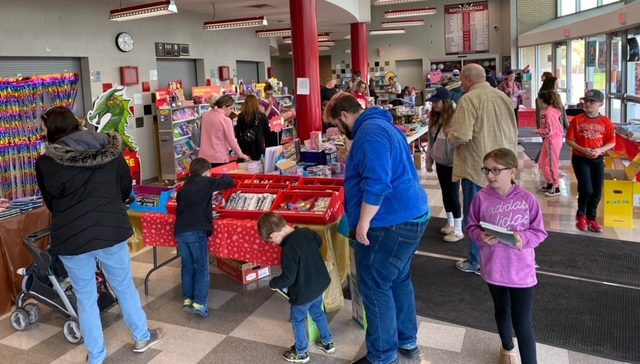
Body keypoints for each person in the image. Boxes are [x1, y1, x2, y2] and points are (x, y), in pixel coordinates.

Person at [35, 106, 163, 364]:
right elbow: (125, 187)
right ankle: (141, 336)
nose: (42, 131)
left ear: (54, 128)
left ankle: (96, 356)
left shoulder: (46, 162)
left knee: (85, 296)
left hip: (72, 237)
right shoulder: (110, 150)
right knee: (124, 286)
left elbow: (51, 202)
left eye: (44, 127)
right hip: (110, 229)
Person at [323, 93, 430, 364]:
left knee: (375, 286)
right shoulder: (382, 125)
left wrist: (363, 222)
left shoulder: (370, 133)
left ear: (345, 116)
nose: (338, 130)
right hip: (411, 214)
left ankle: (382, 356)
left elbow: (377, 182)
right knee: (399, 279)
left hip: (389, 223)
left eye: (336, 124)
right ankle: (407, 341)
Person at [466, 148, 548, 364]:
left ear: (512, 172)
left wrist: (522, 238)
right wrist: (482, 237)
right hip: (494, 269)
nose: (490, 175)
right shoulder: (481, 198)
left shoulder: (528, 199)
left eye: (496, 170)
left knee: (522, 323)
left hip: (521, 272)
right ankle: (507, 348)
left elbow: (539, 232)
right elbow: (471, 228)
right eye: (487, 170)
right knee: (502, 311)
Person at [447, 63, 518, 275]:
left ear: (467, 79)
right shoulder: (502, 97)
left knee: (476, 216)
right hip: (504, 167)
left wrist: (450, 134)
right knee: (501, 215)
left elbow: (462, 135)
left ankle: (476, 260)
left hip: (479, 168)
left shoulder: (469, 99)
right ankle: (501, 258)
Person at [257, 212, 335, 364]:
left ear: (275, 234)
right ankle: (328, 342)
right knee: (318, 313)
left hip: (303, 292)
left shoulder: (289, 248)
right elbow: (318, 241)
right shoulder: (306, 232)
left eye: (272, 240)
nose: (274, 244)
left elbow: (288, 278)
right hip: (319, 284)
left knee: (298, 320)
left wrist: (273, 283)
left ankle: (301, 352)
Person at [175, 158, 234, 318]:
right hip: (196, 230)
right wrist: (222, 174)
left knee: (187, 266)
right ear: (207, 172)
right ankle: (200, 303)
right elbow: (229, 182)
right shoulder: (206, 183)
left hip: (180, 231)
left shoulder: (183, 187)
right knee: (202, 268)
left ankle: (188, 299)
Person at [566, 89, 615, 233]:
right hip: (580, 158)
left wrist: (600, 150)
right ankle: (581, 215)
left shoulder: (606, 121)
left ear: (600, 104)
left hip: (597, 159)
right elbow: (569, 140)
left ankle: (591, 218)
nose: (587, 104)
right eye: (586, 101)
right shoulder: (577, 120)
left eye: (591, 102)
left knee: (597, 191)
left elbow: (611, 142)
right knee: (586, 188)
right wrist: (582, 149)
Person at [426, 87, 463, 242]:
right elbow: (431, 141)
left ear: (445, 101)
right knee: (445, 192)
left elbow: (460, 140)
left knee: (453, 194)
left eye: (436, 102)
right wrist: (429, 160)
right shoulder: (435, 118)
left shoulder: (456, 117)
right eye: (432, 102)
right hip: (441, 161)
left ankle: (458, 229)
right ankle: (450, 222)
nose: (434, 105)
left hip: (453, 163)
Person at [199, 95, 249, 167]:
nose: (232, 111)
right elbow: (231, 141)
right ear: (224, 107)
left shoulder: (205, 116)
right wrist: (241, 155)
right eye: (231, 108)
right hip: (219, 157)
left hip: (204, 157)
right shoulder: (225, 120)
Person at [532, 90, 565, 197]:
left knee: (552, 164)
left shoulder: (549, 113)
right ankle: (550, 183)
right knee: (542, 162)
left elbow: (549, 130)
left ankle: (556, 187)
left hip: (553, 140)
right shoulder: (549, 111)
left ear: (541, 100)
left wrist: (538, 131)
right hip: (550, 139)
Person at [235, 94, 270, 160]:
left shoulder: (241, 116)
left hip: (245, 147)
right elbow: (267, 133)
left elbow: (238, 133)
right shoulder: (262, 116)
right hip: (258, 146)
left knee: (245, 169)